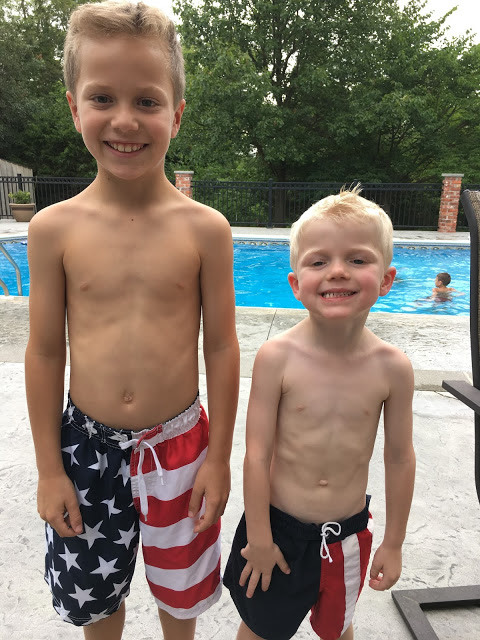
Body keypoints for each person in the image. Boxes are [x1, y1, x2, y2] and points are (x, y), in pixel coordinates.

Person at [25, 2, 239, 639]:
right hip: (85, 450)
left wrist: (220, 457)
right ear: (74, 108)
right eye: (103, 98)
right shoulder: (53, 229)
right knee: (98, 599)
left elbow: (222, 348)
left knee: (180, 595)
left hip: (181, 448)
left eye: (147, 101)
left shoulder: (205, 230)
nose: (125, 120)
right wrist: (48, 468)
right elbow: (43, 352)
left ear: (176, 112)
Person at [224, 187, 416, 640]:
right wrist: (259, 538)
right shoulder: (277, 358)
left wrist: (393, 541)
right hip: (278, 532)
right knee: (260, 630)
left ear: (386, 279)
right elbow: (256, 455)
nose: (337, 272)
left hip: (347, 536)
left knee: (337, 628)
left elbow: (400, 458)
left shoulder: (393, 368)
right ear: (295, 283)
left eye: (357, 259)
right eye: (318, 261)